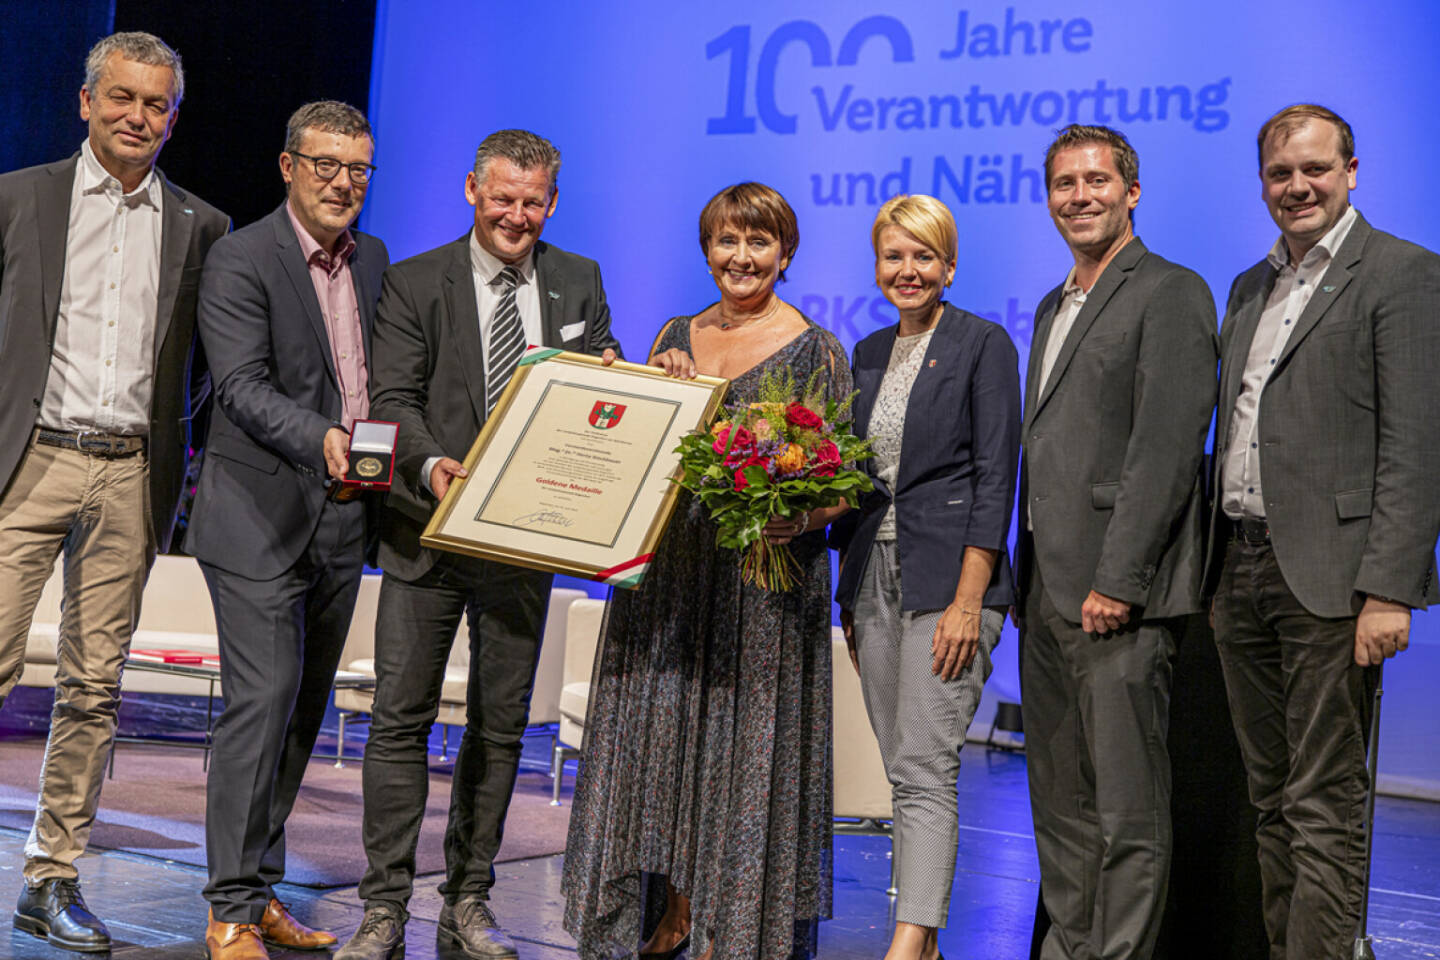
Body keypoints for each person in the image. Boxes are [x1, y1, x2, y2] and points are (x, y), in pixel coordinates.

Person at [336, 129, 620, 960]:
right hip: (426, 535)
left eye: (533, 202)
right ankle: (383, 908)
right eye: (503, 198)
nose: (516, 215)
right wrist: (428, 467)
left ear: (552, 202)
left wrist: (613, 378)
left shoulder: (578, 280)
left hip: (522, 549)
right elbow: (392, 399)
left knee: (498, 733)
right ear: (471, 190)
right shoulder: (416, 279)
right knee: (399, 724)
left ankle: (470, 900)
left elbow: (597, 396)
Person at [561, 182, 850, 960]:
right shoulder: (674, 334)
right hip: (672, 578)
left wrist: (803, 517)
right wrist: (650, 387)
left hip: (760, 587)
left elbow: (840, 481)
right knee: (666, 748)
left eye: (759, 243)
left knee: (738, 757)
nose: (742, 257)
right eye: (727, 241)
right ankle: (672, 913)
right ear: (707, 249)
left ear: (785, 255)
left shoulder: (816, 349)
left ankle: (728, 925)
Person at [0, 31, 229, 953]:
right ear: (86, 101)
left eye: (157, 105)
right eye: (123, 98)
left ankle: (50, 879)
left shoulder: (201, 227)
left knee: (94, 689)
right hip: (29, 462)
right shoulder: (20, 197)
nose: (138, 117)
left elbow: (212, 368)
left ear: (173, 118)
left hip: (133, 473)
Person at [1207, 103, 1440, 959]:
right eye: (1280, 173)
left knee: (1324, 801)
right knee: (1267, 799)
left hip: (1336, 581)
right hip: (1240, 570)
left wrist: (1390, 588)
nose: (1297, 186)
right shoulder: (1248, 286)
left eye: (1314, 169)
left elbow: (1417, 448)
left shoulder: (1403, 273)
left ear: (1351, 170)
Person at [184, 100, 388, 960]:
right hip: (258, 521)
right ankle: (228, 906)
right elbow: (240, 386)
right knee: (260, 704)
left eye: (359, 170)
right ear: (287, 166)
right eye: (326, 165)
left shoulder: (374, 259)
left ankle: (261, 888)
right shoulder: (239, 257)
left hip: (345, 522)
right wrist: (325, 438)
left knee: (303, 712)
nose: (342, 183)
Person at [1017, 125, 1217, 960]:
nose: (1080, 196)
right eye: (1064, 183)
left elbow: (1167, 451)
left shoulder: (1171, 291)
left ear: (1131, 192)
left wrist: (1121, 579)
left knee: (1127, 813)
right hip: (1045, 594)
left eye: (1097, 181)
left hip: (1116, 598)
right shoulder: (1051, 305)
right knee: (1060, 809)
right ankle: (1070, 948)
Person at [833, 194, 1020, 960]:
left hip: (951, 581)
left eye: (923, 256)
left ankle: (911, 940)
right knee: (900, 763)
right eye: (893, 256)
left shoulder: (983, 343)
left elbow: (994, 477)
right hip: (870, 576)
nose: (907, 271)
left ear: (948, 265)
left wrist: (968, 601)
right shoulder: (869, 351)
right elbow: (853, 479)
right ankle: (924, 937)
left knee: (923, 763)